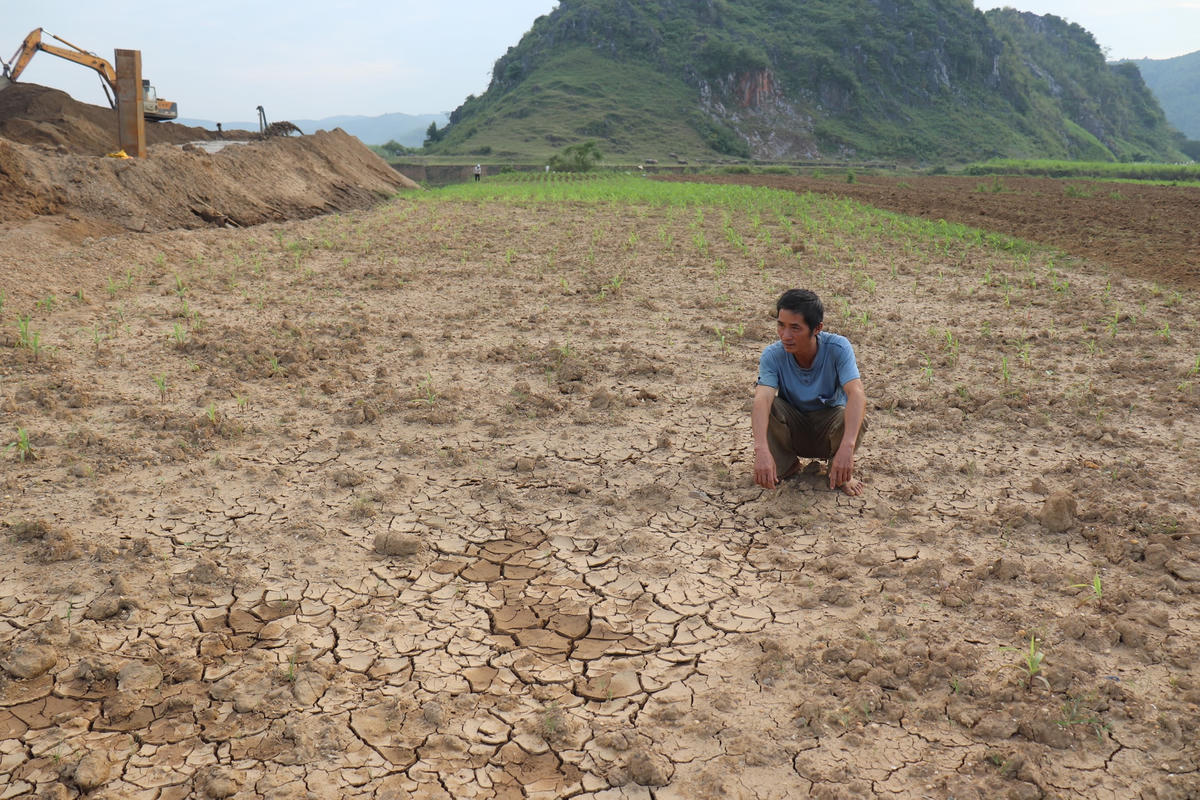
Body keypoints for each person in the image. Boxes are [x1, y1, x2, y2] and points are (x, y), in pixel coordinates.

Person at [751, 289, 868, 495]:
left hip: (828, 429)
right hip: (793, 427)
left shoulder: (838, 348)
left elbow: (856, 393)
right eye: (781, 325)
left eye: (795, 328)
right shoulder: (772, 355)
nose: (785, 336)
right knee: (771, 405)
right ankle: (785, 466)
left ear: (817, 328)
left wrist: (848, 448)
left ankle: (839, 473)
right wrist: (760, 450)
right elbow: (762, 397)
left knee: (852, 413)